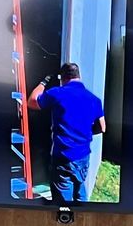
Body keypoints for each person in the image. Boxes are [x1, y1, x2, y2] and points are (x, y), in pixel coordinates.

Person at [27, 63, 105, 204]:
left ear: (62, 78)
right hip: (83, 156)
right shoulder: (94, 100)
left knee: (63, 204)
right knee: (80, 188)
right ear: (79, 76)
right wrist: (83, 133)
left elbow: (32, 102)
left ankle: (67, 222)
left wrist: (44, 82)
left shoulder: (57, 93)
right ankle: (83, 215)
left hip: (63, 157)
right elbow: (102, 127)